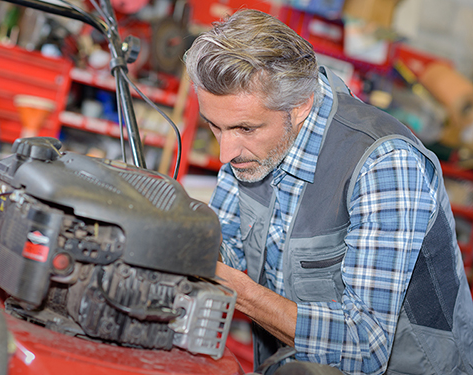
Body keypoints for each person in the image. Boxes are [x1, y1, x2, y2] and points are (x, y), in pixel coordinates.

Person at [184, 8, 473, 375]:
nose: (226, 153)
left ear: (300, 105)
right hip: (293, 364)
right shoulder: (250, 152)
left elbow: (363, 344)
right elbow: (227, 250)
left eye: (245, 128)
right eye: (215, 127)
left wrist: (240, 291)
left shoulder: (383, 163)